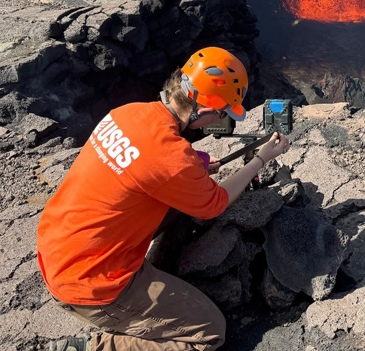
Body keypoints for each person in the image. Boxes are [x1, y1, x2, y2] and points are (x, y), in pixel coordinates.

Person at [37, 47, 290, 351]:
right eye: (222, 112)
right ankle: (97, 346)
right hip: (92, 283)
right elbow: (217, 203)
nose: (220, 119)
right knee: (210, 332)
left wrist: (192, 164)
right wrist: (260, 159)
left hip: (57, 249)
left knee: (176, 205)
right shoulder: (173, 160)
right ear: (204, 108)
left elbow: (144, 161)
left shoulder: (127, 112)